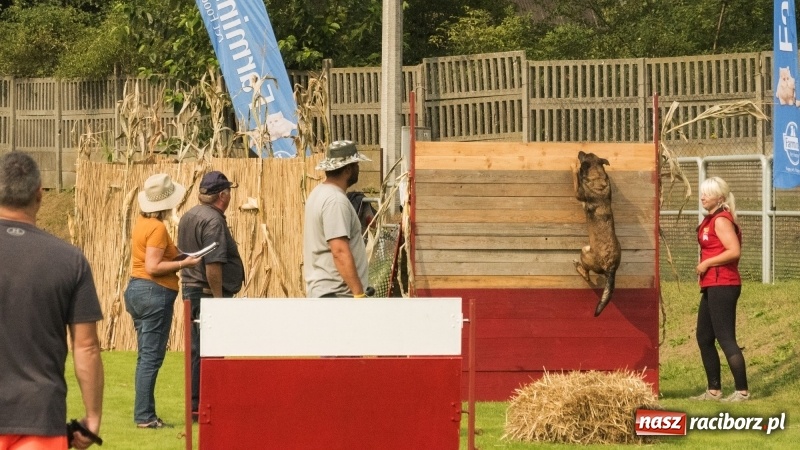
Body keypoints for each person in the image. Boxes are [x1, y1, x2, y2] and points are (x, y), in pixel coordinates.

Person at [0, 152, 104, 449]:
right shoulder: (69, 260)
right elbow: (86, 346)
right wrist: (92, 417)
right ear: (39, 195)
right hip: (39, 416)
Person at [124, 173, 201, 428]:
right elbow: (154, 266)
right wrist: (184, 263)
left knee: (145, 356)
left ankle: (144, 413)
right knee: (151, 357)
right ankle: (144, 417)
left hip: (137, 289)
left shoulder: (141, 223)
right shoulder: (157, 228)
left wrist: (181, 254)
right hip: (153, 291)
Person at [177, 170, 244, 419]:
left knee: (197, 349)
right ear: (223, 196)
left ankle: (196, 404)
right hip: (206, 293)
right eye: (229, 192)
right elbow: (213, 265)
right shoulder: (214, 220)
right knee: (207, 350)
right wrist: (218, 302)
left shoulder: (189, 215)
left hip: (191, 289)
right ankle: (200, 405)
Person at [691, 176, 749, 402]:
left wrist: (706, 264)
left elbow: (734, 251)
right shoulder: (710, 219)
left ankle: (742, 391)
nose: (702, 196)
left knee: (725, 337)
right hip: (711, 285)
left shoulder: (721, 220)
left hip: (724, 284)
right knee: (704, 337)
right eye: (702, 192)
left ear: (720, 198)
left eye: (708, 193)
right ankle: (714, 390)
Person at [304, 140, 371, 298]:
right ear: (348, 169)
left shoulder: (318, 193)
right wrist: (359, 293)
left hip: (325, 293)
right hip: (337, 296)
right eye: (356, 164)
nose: (358, 168)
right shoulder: (335, 201)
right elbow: (339, 250)